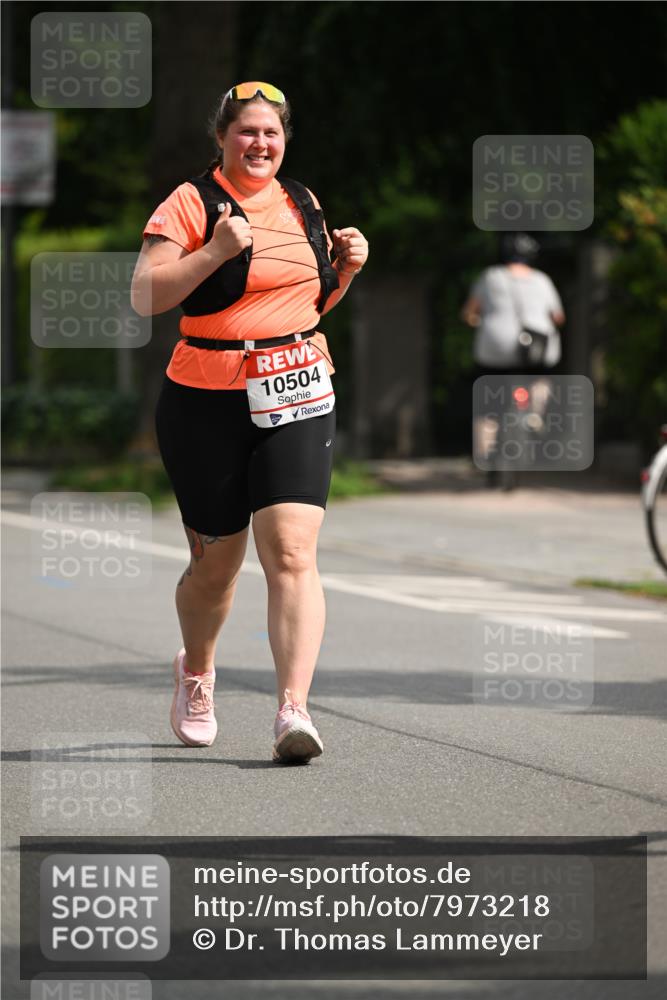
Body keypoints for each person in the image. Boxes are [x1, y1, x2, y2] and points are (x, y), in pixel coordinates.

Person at [131, 82, 369, 763]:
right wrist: (211, 252)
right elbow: (145, 295)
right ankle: (197, 673)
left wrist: (345, 270)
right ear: (222, 138)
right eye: (246, 132)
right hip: (205, 396)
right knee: (216, 568)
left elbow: (306, 302)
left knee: (292, 549)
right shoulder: (191, 202)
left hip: (297, 387)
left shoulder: (302, 201)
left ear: (284, 139)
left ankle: (293, 710)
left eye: (270, 133)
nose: (259, 144)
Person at [461, 233, 565, 486]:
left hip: (495, 351)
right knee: (541, 379)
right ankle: (535, 414)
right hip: (534, 352)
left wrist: (478, 322)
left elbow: (469, 313)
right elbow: (558, 317)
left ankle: (485, 453)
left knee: (488, 407)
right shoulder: (542, 280)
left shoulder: (490, 277)